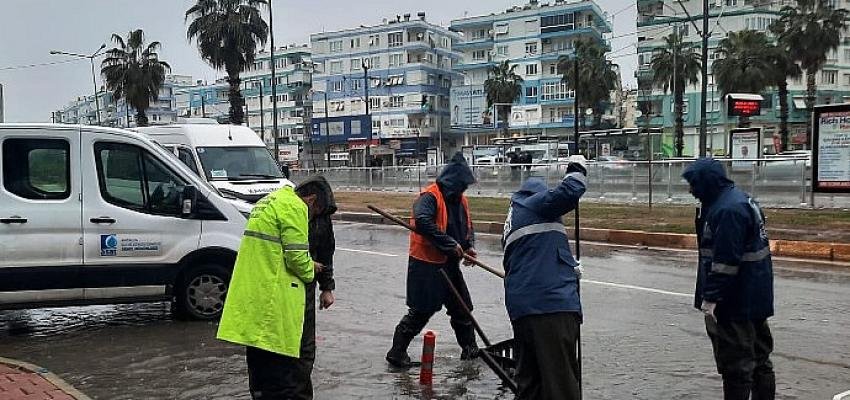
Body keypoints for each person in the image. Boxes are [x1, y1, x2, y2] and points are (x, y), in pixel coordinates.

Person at [217, 181, 323, 400]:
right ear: (311, 200)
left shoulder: (268, 202)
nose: (312, 218)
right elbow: (297, 259)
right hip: (275, 306)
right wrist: (312, 269)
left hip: (255, 299)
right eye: (315, 212)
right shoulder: (294, 207)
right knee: (284, 378)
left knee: (261, 376)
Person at [682, 158, 775, 400]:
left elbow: (725, 263)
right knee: (759, 359)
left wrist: (711, 298)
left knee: (737, 366)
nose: (690, 190)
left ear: (707, 183)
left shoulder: (726, 210)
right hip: (753, 294)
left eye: (694, 184)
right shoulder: (738, 200)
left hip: (735, 301)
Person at [501, 155, 588, 400]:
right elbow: (570, 191)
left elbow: (534, 258)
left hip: (523, 312)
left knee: (531, 384)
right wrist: (576, 168)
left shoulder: (512, 220)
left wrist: (568, 267)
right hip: (551, 306)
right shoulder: (535, 204)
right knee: (560, 384)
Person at [386, 152, 479, 368]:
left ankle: (470, 350)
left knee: (462, 308)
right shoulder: (430, 197)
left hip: (449, 264)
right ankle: (397, 352)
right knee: (421, 311)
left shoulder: (461, 200)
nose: (463, 190)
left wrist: (468, 246)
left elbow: (467, 226)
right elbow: (422, 221)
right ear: (452, 183)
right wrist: (449, 244)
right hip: (426, 265)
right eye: (461, 186)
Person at [292, 176, 338, 400]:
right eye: (317, 209)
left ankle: (301, 394)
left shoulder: (321, 218)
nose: (317, 214)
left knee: (305, 347)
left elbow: (326, 251)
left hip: (307, 287)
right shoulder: (290, 213)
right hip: (283, 288)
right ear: (309, 200)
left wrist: (326, 287)